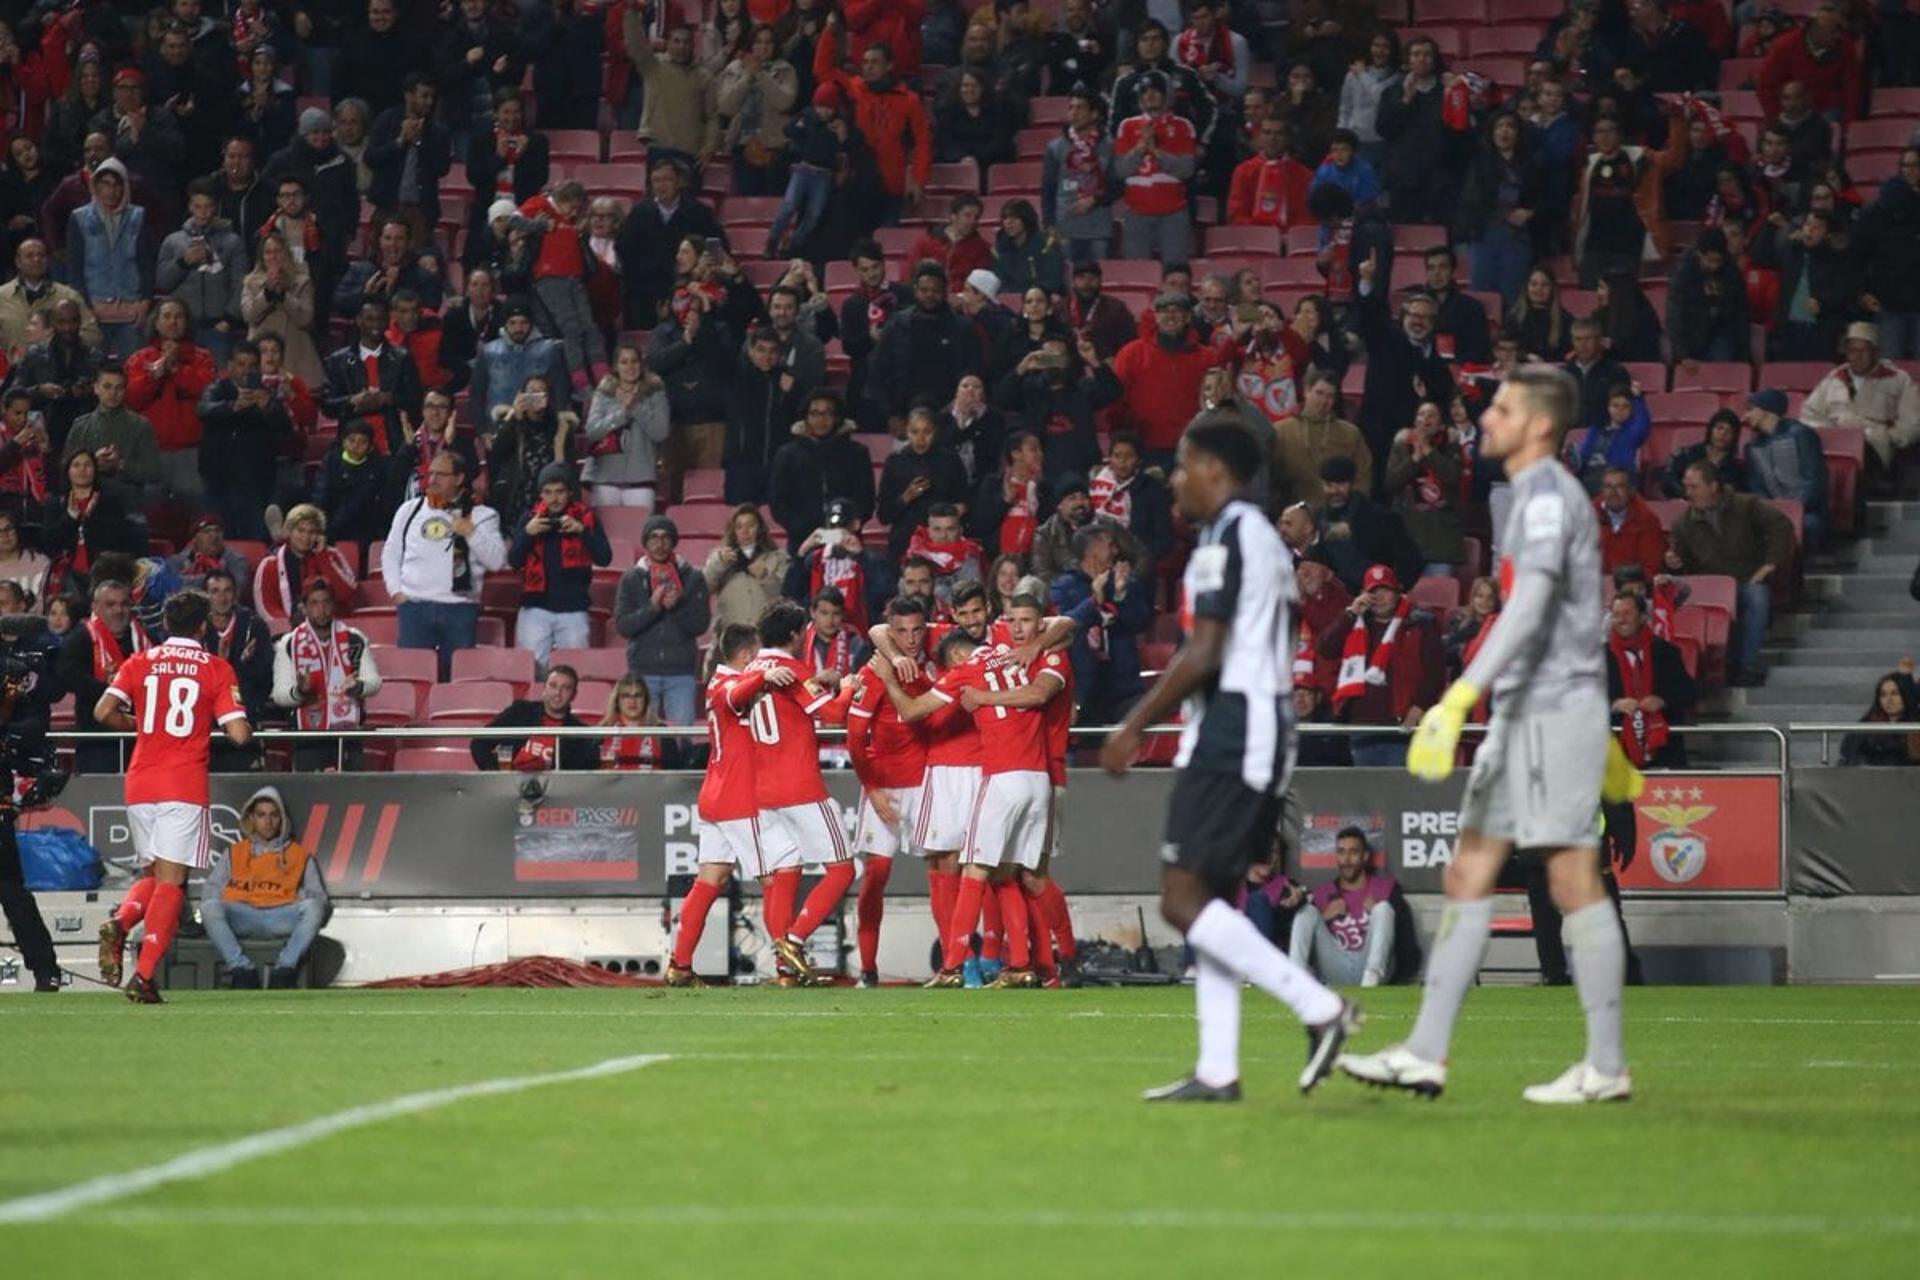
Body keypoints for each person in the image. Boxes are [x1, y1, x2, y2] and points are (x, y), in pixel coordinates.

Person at [1338, 363, 1639, 1104]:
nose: (1487, 419)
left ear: (1539, 423)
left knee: (1569, 877)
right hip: (1529, 709)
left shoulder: (1544, 494)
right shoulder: (1527, 493)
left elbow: (1533, 604)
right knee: (1470, 870)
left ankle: (1605, 1065)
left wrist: (1460, 694)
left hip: (1551, 709)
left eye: (1502, 407)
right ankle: (1425, 1052)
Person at [1094, 414, 1357, 1098]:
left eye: (1183, 465)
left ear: (1216, 471)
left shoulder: (1225, 537)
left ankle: (1320, 1006)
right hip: (1259, 727)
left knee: (1182, 900)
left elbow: (1205, 651)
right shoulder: (1266, 540)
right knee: (1208, 898)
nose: (1175, 480)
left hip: (1232, 733)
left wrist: (1134, 725)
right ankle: (1218, 1068)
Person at [876, 603, 1066, 990]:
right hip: (1039, 780)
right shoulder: (1026, 655)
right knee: (1010, 873)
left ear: (958, 656)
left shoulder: (966, 671)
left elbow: (912, 711)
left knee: (974, 873)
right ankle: (1022, 966)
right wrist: (1038, 641)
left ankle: (951, 968)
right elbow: (1062, 637)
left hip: (1002, 778)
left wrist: (890, 680)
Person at [93, 589, 253, 1003]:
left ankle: (124, 918)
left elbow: (101, 712)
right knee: (173, 882)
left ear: (166, 624)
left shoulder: (141, 661)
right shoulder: (215, 668)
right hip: (182, 783)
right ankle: (144, 975)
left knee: (153, 874)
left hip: (141, 781)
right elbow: (238, 734)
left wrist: (141, 724)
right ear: (203, 626)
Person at [738, 599, 851, 983]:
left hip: (762, 791)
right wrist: (850, 687)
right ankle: (795, 940)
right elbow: (834, 715)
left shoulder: (750, 671)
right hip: (800, 787)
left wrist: (821, 683)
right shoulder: (792, 668)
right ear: (793, 635)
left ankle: (786, 972)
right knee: (842, 869)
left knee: (784, 875)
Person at [665, 625, 778, 986]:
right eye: (757, 655)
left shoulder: (718, 684)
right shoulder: (727, 686)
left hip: (715, 795)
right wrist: (764, 675)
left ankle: (679, 965)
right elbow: (737, 694)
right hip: (737, 799)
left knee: (709, 881)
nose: (759, 660)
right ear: (746, 656)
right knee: (775, 876)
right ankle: (787, 970)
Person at [842, 596, 931, 986]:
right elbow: (855, 738)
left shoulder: (940, 656)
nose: (910, 639)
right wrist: (873, 790)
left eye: (917, 630)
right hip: (887, 789)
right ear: (891, 632)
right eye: (902, 631)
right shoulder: (875, 672)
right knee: (875, 877)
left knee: (949, 873)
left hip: (929, 784)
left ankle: (959, 964)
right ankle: (868, 969)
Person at [380, 450, 507, 681]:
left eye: (442, 474)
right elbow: (391, 554)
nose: (433, 479)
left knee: (457, 680)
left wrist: (471, 533)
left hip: (459, 609)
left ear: (459, 478)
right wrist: (396, 592)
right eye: (431, 474)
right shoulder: (409, 510)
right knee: (412, 679)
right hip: (414, 608)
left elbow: (497, 561)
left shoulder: (483, 515)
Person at [1317, 564, 1445, 767]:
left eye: (1385, 590)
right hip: (1361, 728)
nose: (1380, 597)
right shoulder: (1355, 622)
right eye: (1373, 592)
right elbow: (1326, 648)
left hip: (1402, 727)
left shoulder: (1420, 623)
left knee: (1398, 793)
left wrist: (1420, 705)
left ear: (1397, 593)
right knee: (1366, 795)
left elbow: (1435, 671)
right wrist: (1350, 613)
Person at [510, 464, 612, 676]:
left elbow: (604, 558)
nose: (554, 499)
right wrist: (527, 535)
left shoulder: (586, 518)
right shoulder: (530, 519)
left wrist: (582, 531)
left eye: (559, 492)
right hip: (535, 608)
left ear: (570, 493)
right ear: (540, 494)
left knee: (576, 671)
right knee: (533, 670)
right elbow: (514, 561)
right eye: (548, 492)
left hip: (573, 609)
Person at [270, 579, 380, 773]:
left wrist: (357, 687)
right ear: (304, 608)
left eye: (326, 602)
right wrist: (300, 692)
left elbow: (375, 683)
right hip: (307, 738)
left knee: (353, 797)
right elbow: (279, 695)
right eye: (314, 603)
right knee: (309, 798)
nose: (321, 609)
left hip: (348, 735)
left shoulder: (355, 638)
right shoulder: (289, 643)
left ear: (333, 605)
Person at [1049, 525, 1150, 727]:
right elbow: (1066, 626)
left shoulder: (1125, 583)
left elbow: (1141, 622)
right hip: (1083, 692)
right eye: (1110, 546)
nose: (1116, 551)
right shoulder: (1064, 587)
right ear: (1091, 551)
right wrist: (1096, 599)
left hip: (1124, 689)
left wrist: (1121, 594)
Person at [614, 515, 711, 725]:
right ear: (646, 542)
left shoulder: (693, 577)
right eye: (654, 538)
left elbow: (700, 624)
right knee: (643, 735)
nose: (660, 544)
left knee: (682, 738)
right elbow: (623, 625)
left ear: (673, 541)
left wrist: (676, 608)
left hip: (681, 671)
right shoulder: (631, 578)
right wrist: (653, 608)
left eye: (666, 538)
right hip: (642, 671)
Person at [1801, 322, 1920, 486]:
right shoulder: (1834, 377)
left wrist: (1891, 438)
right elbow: (1809, 413)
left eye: (1863, 350)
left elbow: (1911, 422)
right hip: (1837, 443)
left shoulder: (1898, 379)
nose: (1857, 356)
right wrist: (1829, 433)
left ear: (1875, 352)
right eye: (1852, 350)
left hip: (1876, 445)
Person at [1288, 827, 1401, 988]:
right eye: (1341, 852)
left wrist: (1375, 915)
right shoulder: (1322, 894)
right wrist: (1324, 916)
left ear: (1365, 856)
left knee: (1383, 909)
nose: (1346, 859)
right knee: (1306, 912)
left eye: (1353, 852)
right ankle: (1294, 981)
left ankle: (1371, 982)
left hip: (1372, 965)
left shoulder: (1385, 888)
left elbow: (1406, 942)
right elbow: (1297, 935)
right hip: (1334, 966)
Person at [768, 389, 875, 550]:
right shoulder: (788, 454)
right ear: (806, 417)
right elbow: (779, 503)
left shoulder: (857, 453)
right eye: (814, 413)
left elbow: (865, 499)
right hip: (802, 540)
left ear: (838, 417)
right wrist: (805, 530)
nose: (820, 420)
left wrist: (845, 527)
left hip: (846, 540)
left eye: (827, 413)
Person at [1605, 589, 1696, 771]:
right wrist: (1614, 705)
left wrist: (1663, 701)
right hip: (1616, 754)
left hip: (1664, 752)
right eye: (1616, 615)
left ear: (1643, 617)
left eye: (1627, 613)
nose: (1621, 619)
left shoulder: (1666, 652)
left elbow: (1689, 693)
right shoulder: (1599, 658)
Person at [1112, 73, 1196, 265]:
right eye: (1145, 92)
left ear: (1167, 94)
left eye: (1155, 91)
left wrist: (1156, 152)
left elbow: (1186, 170)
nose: (1149, 96)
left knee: (1176, 271)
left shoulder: (1183, 126)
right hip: (1136, 212)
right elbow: (1121, 170)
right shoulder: (1127, 126)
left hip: (1173, 212)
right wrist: (1140, 149)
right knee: (1137, 272)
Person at [1315, 456, 1421, 594]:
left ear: (1353, 483)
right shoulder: (1316, 519)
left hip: (1376, 596)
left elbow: (1412, 559)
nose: (1335, 491)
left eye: (1341, 484)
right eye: (1329, 485)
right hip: (1335, 598)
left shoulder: (1381, 517)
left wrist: (1395, 589)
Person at [1385, 401, 1467, 576]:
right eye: (1421, 414)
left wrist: (1428, 451)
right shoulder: (1402, 445)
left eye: (1432, 415)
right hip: (1408, 538)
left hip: (1441, 541)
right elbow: (1391, 482)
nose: (1425, 419)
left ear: (1441, 423)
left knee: (1438, 598)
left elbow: (1452, 476)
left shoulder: (1451, 445)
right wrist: (1414, 459)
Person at [1742, 387, 1829, 551]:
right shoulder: (1752, 447)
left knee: (1807, 525)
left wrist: (1791, 509)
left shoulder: (1801, 435)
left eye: (1751, 410)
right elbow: (1756, 488)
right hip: (1772, 512)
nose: (1746, 416)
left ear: (1768, 410)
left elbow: (1814, 483)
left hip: (1806, 511)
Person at [469, 665, 599, 773]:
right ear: (544, 689)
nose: (557, 693)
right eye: (553, 686)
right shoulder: (520, 711)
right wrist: (495, 772)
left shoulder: (580, 734)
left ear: (574, 695)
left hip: (553, 796)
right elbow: (479, 743)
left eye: (565, 688)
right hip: (508, 790)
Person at [252, 503, 354, 634]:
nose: (306, 537)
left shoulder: (332, 556)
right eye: (300, 530)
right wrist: (292, 629)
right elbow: (265, 607)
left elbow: (346, 593)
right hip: (287, 633)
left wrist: (323, 557)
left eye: (312, 532)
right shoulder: (270, 565)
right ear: (289, 531)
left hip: (329, 631)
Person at [1596, 467, 1666, 582]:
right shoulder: (1587, 520)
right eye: (1608, 487)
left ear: (1630, 490)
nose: (1613, 492)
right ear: (1601, 490)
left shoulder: (1647, 521)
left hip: (1635, 591)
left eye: (1620, 486)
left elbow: (1651, 568)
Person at [1840, 672, 1920, 767]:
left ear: (1905, 695)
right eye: (1883, 695)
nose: (1888, 699)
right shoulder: (1866, 725)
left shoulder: (1915, 724)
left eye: (1895, 693)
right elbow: (1849, 752)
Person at [1663, 407, 1744, 498]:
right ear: (1710, 430)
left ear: (1734, 437)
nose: (1723, 434)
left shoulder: (1736, 469)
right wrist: (1688, 494)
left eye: (1729, 431)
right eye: (1719, 428)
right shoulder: (1687, 455)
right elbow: (1668, 481)